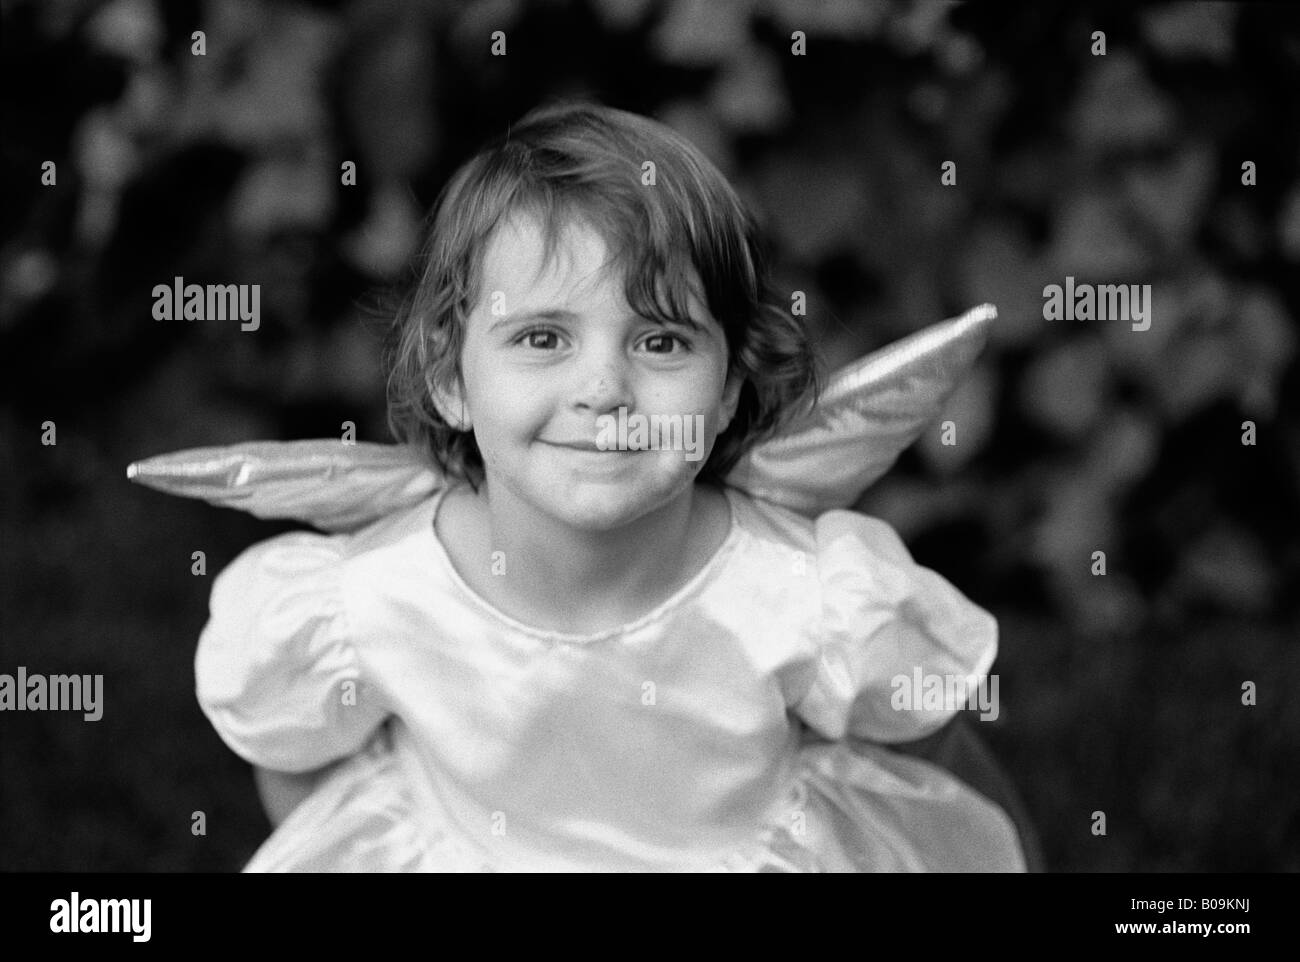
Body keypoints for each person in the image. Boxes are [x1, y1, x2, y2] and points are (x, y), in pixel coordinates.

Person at [189, 102, 1030, 871]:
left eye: (661, 342)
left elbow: (926, 757)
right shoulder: (372, 598)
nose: (604, 389)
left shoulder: (800, 594)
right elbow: (299, 773)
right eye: (543, 337)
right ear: (450, 376)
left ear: (730, 385)